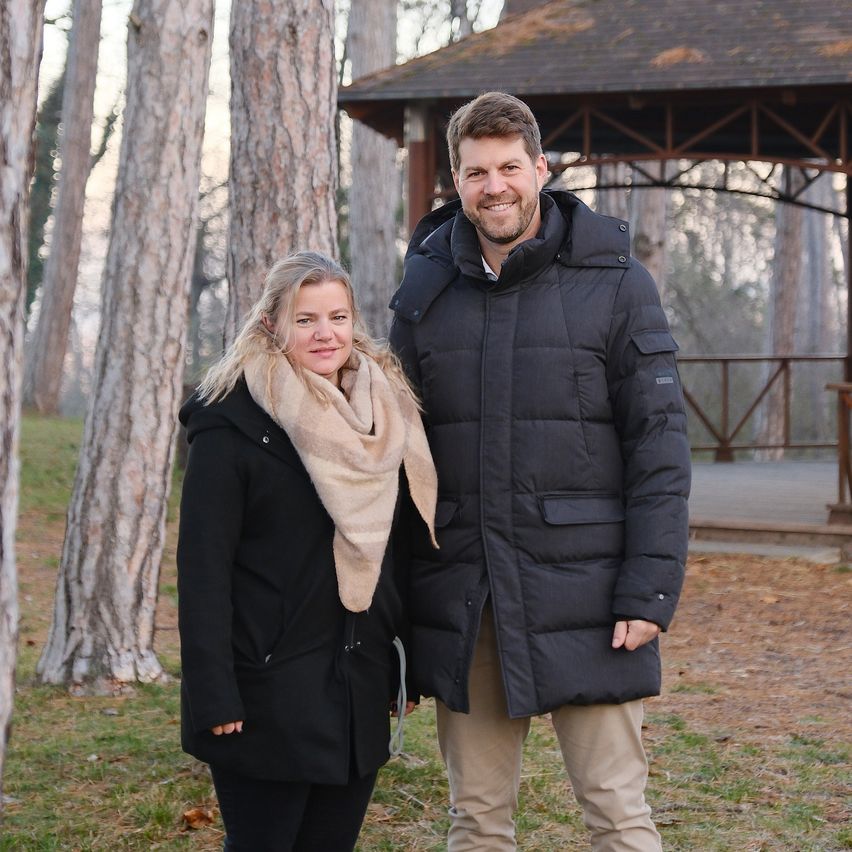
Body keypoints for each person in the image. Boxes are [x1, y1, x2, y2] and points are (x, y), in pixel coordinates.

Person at [388, 92, 691, 851]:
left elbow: (659, 446)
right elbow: (397, 458)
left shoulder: (616, 281)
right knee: (477, 821)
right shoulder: (423, 293)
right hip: (468, 597)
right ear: (455, 182)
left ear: (540, 168)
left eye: (510, 168)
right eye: (476, 172)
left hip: (590, 597)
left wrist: (649, 588)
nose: (495, 187)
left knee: (618, 816)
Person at [177, 251, 437, 852]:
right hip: (266, 689)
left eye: (338, 317)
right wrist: (214, 692)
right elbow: (203, 570)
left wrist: (404, 667)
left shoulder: (386, 413)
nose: (326, 334)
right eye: (306, 319)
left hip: (357, 685)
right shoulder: (232, 421)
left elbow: (398, 553)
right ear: (272, 324)